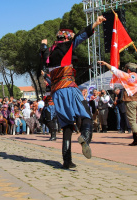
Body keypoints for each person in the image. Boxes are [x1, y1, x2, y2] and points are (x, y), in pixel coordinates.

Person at [40, 16, 106, 168]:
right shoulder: (68, 46)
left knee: (67, 126)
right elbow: (82, 35)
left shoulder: (48, 52)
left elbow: (43, 55)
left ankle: (67, 160)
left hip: (56, 93)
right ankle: (85, 137)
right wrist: (95, 23)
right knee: (87, 115)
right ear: (68, 37)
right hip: (69, 87)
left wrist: (43, 45)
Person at [98, 61, 137, 146]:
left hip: (131, 100)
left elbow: (115, 70)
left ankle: (136, 139)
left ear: (129, 70)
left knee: (132, 120)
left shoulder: (127, 76)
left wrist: (106, 63)